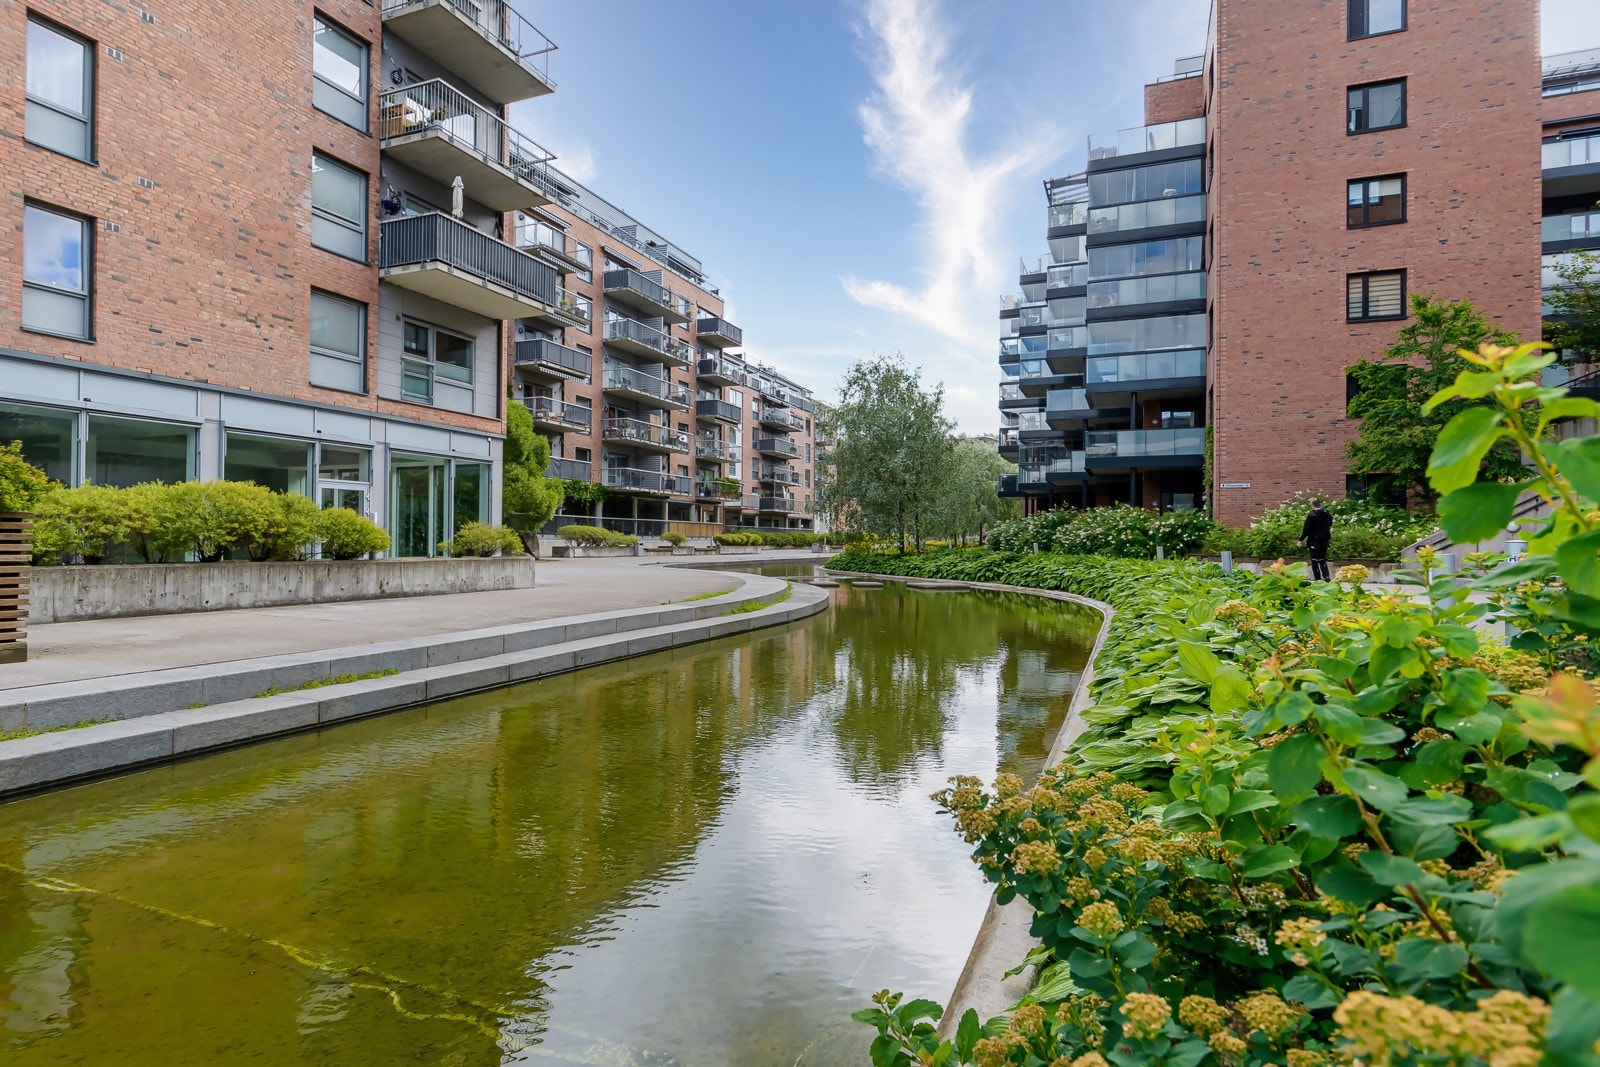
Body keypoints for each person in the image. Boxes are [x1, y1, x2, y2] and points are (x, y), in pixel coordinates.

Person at [1298, 500, 1333, 581]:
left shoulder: (1312, 515)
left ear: (1313, 506)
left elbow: (1306, 529)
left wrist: (1300, 540)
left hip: (1314, 539)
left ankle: (1317, 578)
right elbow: (1330, 522)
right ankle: (1326, 576)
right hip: (1325, 539)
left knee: (1314, 560)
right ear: (1320, 505)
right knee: (1322, 559)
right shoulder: (1326, 513)